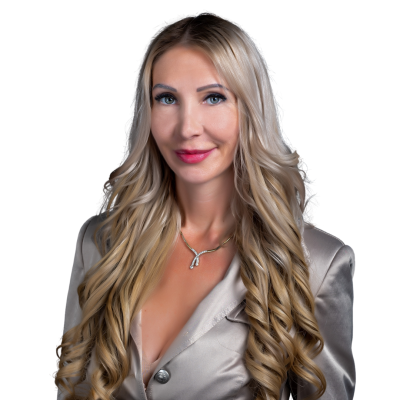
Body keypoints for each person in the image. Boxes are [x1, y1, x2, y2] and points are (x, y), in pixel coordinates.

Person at [53, 11, 356, 400]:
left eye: (214, 97)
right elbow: (73, 388)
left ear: (250, 109)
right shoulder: (101, 241)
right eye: (167, 99)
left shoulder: (317, 264)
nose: (187, 128)